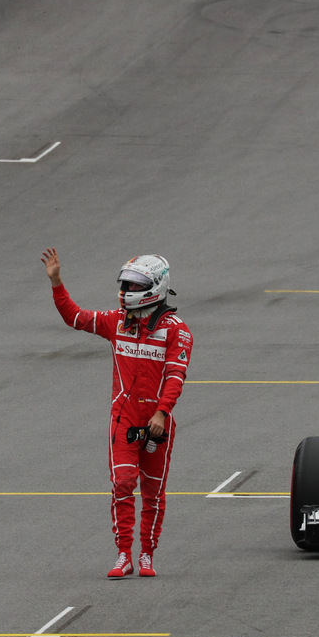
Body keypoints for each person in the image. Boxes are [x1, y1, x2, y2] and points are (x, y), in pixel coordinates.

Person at [41, 247, 192, 579]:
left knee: (152, 492)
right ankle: (123, 554)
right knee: (123, 483)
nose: (126, 293)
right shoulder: (116, 322)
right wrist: (56, 282)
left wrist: (162, 414)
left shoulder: (176, 330)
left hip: (158, 425)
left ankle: (147, 555)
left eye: (134, 286)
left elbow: (175, 377)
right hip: (122, 421)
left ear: (155, 288)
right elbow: (75, 317)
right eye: (124, 285)